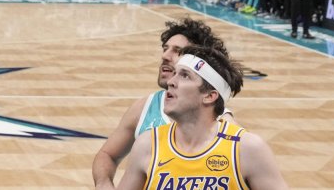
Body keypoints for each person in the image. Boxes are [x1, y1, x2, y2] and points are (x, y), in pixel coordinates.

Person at [117, 45, 288, 190]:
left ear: (209, 96)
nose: (171, 81)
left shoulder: (247, 148)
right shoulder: (148, 144)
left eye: (185, 75)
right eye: (175, 73)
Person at [92, 18, 228, 190]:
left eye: (177, 51)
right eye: (165, 49)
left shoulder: (222, 120)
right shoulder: (144, 107)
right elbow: (107, 155)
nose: (165, 56)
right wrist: (104, 183)